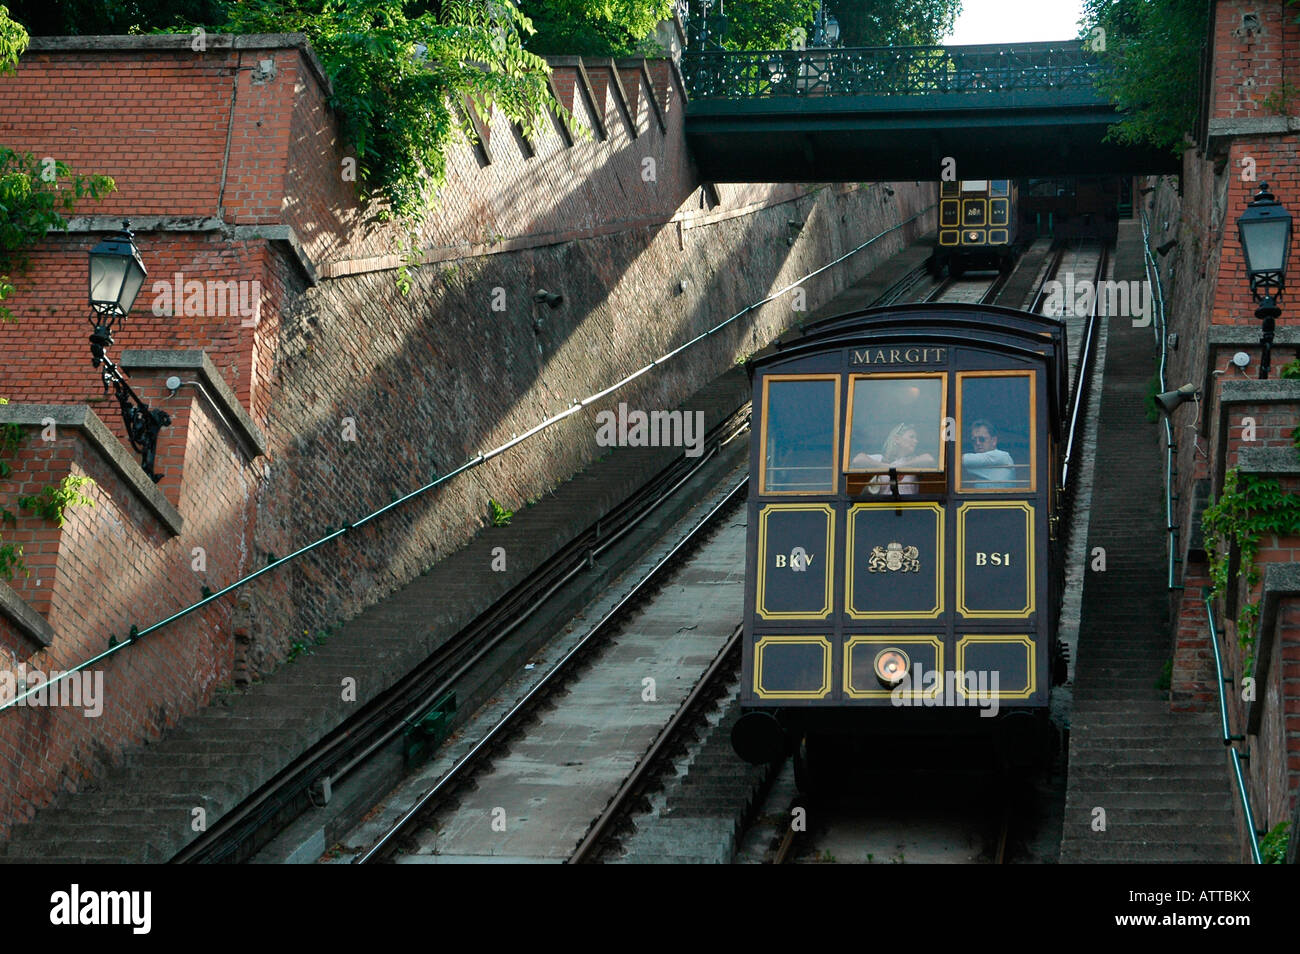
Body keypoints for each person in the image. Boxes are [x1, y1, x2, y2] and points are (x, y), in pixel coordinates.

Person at [852, 423, 936, 496]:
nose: (916, 441)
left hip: (908, 507)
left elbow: (929, 460)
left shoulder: (914, 461)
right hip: (880, 508)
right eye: (911, 437)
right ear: (897, 439)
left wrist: (901, 467)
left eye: (916, 438)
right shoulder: (880, 458)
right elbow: (857, 460)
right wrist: (888, 467)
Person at [962, 419, 1017, 487]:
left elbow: (960, 460)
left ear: (994, 441)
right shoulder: (976, 465)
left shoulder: (1003, 456)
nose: (977, 443)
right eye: (974, 440)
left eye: (982, 439)